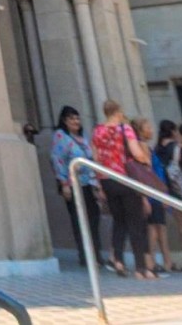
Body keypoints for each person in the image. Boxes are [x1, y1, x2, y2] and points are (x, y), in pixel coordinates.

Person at [91, 100, 156, 279]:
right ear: (118, 112)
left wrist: (99, 183)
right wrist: (145, 160)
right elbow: (135, 152)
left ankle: (118, 260)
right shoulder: (124, 129)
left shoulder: (97, 131)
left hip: (107, 180)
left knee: (119, 220)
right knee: (135, 222)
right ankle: (140, 267)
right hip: (125, 178)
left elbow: (96, 158)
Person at [51, 106, 107, 270]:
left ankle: (96, 254)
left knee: (93, 218)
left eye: (77, 118)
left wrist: (97, 184)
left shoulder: (83, 137)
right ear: (64, 121)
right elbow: (58, 160)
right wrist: (64, 184)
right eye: (71, 118)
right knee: (79, 220)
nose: (76, 121)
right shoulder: (61, 136)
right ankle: (86, 256)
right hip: (73, 184)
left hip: (89, 184)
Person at [134, 119, 173, 273]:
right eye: (147, 127)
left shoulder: (147, 147)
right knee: (154, 228)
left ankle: (166, 261)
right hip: (153, 191)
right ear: (140, 130)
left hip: (155, 190)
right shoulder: (142, 147)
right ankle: (154, 262)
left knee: (160, 227)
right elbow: (148, 171)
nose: (151, 129)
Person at [154, 120, 182, 272]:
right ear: (173, 131)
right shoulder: (175, 146)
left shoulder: (157, 147)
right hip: (176, 185)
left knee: (170, 222)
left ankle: (171, 256)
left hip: (163, 185)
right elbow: (178, 164)